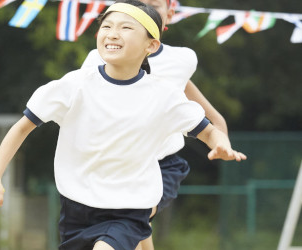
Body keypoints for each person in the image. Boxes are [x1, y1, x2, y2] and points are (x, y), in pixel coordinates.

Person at [0, 1, 247, 249]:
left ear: (150, 46)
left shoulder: (164, 95)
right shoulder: (74, 85)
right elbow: (22, 127)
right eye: (106, 26)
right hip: (77, 205)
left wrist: (220, 143)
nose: (113, 33)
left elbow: (207, 129)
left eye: (125, 28)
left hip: (131, 206)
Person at [81, 0, 226, 249]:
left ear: (169, 14)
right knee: (133, 224)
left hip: (162, 162)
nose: (143, 9)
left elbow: (185, 89)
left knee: (132, 217)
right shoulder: (100, 57)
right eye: (137, 4)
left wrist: (219, 127)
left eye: (153, 5)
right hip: (121, 162)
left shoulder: (182, 59)